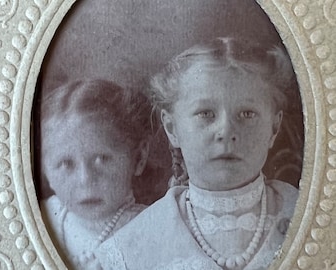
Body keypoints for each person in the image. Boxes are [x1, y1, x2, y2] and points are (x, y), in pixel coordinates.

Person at [93, 37, 299, 270]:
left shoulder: (305, 213)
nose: (226, 131)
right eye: (206, 114)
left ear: (274, 128)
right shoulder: (134, 245)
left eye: (247, 114)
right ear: (172, 128)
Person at [39, 79, 151, 269]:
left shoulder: (151, 228)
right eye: (66, 164)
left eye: (102, 159)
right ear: (44, 168)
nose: (86, 179)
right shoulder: (40, 217)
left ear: (139, 158)